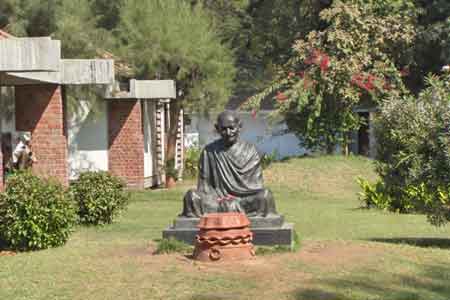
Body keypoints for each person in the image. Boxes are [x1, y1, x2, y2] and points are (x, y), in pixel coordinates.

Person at [180, 111, 278, 218]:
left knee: (265, 196)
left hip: (244, 201)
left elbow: (256, 185)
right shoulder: (209, 151)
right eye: (223, 129)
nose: (228, 132)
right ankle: (225, 211)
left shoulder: (250, 151)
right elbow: (205, 187)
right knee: (192, 196)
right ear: (217, 129)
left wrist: (235, 200)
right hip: (217, 201)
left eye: (232, 128)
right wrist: (222, 200)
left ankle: (230, 211)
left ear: (239, 127)